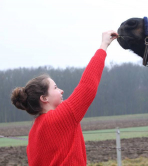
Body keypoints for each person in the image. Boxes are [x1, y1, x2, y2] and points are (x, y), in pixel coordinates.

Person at [11, 30, 118, 166]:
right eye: (55, 88)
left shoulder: (34, 132)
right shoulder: (62, 117)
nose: (61, 91)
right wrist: (104, 45)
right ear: (44, 98)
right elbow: (87, 86)